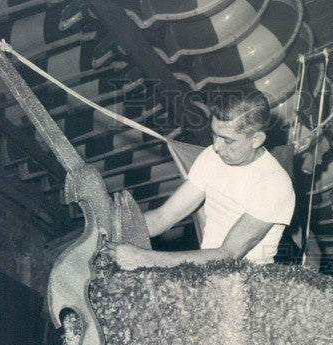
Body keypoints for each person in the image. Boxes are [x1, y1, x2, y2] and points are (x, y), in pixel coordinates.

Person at [109, 90, 295, 270]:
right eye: (214, 134)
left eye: (227, 140)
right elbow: (163, 217)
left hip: (247, 282)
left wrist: (143, 258)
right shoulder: (211, 157)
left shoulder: (274, 184)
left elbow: (228, 256)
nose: (216, 146)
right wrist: (108, 230)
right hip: (206, 273)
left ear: (256, 139)